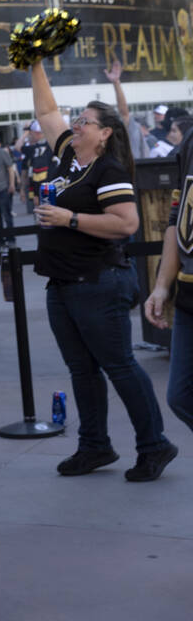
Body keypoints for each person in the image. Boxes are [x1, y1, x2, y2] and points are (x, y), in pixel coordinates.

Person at [28, 61, 178, 481]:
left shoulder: (107, 170)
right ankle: (95, 446)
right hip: (63, 284)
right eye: (76, 120)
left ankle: (154, 445)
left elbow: (127, 223)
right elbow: (45, 112)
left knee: (120, 365)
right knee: (82, 370)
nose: (75, 125)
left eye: (85, 121)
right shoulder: (67, 159)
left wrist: (69, 220)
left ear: (105, 132)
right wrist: (34, 64)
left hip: (97, 283)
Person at [145, 109, 193, 435]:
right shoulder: (190, 140)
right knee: (180, 396)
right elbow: (176, 223)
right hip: (189, 295)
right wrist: (161, 286)